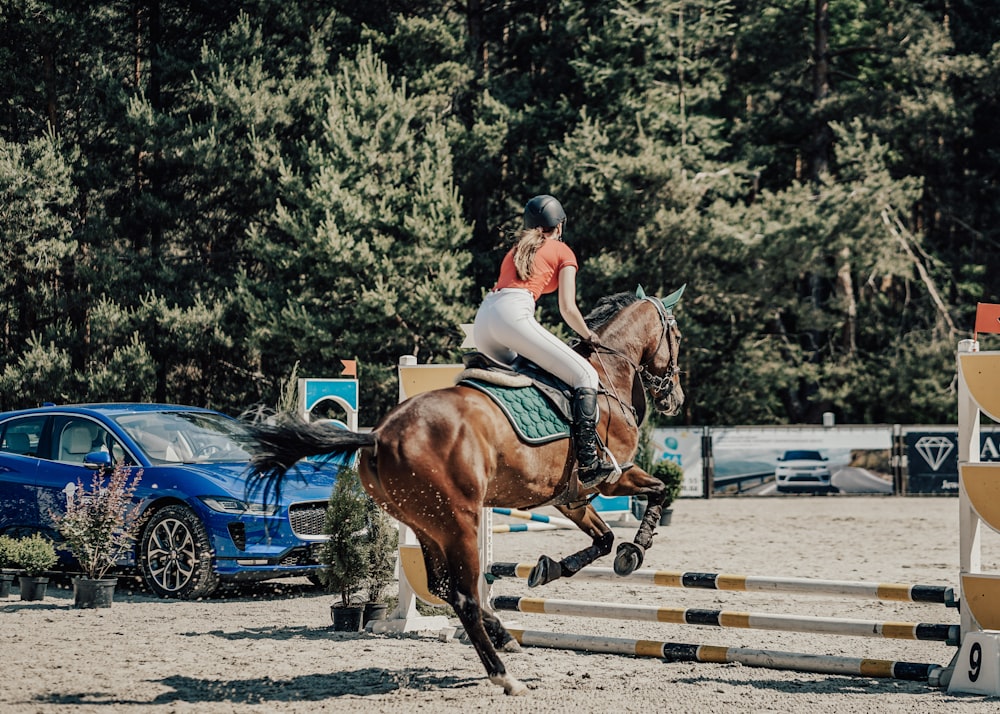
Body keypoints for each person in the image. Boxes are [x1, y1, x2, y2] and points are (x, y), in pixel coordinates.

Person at [473, 194, 617, 487]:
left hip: (484, 320)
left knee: (528, 375)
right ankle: (589, 463)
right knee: (585, 374)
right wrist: (588, 335)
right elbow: (567, 307)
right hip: (513, 315)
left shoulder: (517, 249)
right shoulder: (563, 251)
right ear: (560, 225)